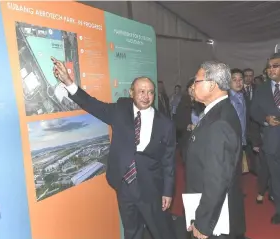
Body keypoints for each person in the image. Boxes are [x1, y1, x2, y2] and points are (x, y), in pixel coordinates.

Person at [51, 57, 176, 239]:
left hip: (151, 188)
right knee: (131, 232)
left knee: (161, 232)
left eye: (150, 92)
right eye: (141, 91)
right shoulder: (120, 110)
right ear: (131, 92)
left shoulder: (165, 124)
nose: (146, 96)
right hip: (124, 184)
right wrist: (69, 83)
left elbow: (169, 162)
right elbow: (91, 104)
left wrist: (167, 191)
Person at [186, 61, 246, 239]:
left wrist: (203, 223)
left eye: (197, 81)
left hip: (214, 217)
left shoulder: (219, 121)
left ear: (212, 84)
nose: (193, 86)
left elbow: (217, 179)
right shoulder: (217, 111)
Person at [250, 53, 280, 224]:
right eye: (269, 66)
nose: (271, 69)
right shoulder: (261, 89)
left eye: (275, 65)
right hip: (272, 141)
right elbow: (254, 111)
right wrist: (265, 119)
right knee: (276, 178)